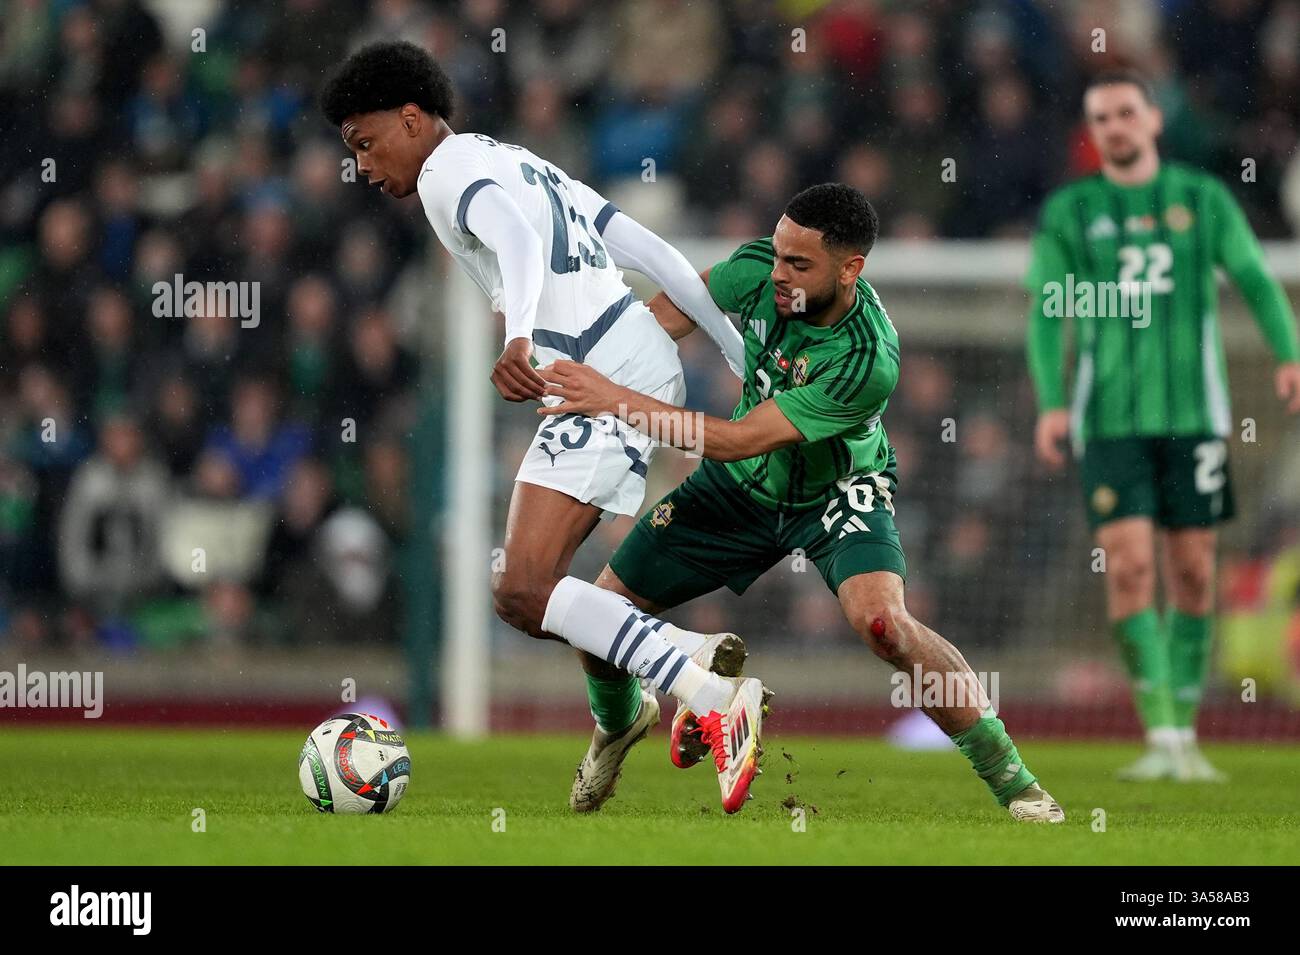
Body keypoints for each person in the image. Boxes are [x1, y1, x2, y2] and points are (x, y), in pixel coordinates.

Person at [321, 41, 768, 813]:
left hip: (596, 375)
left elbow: (523, 248)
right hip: (624, 360)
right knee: (530, 589)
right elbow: (651, 249)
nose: (362, 165)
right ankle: (637, 703)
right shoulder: (520, 161)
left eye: (365, 143)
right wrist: (735, 349)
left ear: (412, 118)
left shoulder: (444, 174)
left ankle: (705, 684)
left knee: (522, 589)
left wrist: (517, 337)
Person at [541, 183, 1065, 823]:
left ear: (851, 270)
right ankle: (618, 724)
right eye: (779, 253)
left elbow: (733, 440)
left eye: (799, 264)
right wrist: (595, 369)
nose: (778, 272)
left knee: (884, 626)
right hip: (745, 486)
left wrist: (613, 399)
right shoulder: (761, 266)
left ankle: (1014, 779)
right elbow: (671, 314)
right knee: (599, 615)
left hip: (836, 492)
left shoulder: (866, 358)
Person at [1026, 70, 1300, 781]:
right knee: (1130, 565)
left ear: (1152, 119)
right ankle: (1162, 734)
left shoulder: (1201, 200)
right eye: (1100, 117)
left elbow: (1256, 280)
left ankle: (1185, 728)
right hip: (1108, 421)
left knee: (1191, 573)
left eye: (1124, 112)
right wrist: (1053, 402)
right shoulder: (1071, 211)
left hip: (1194, 420)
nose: (1113, 126)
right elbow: (1047, 313)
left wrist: (1290, 354)